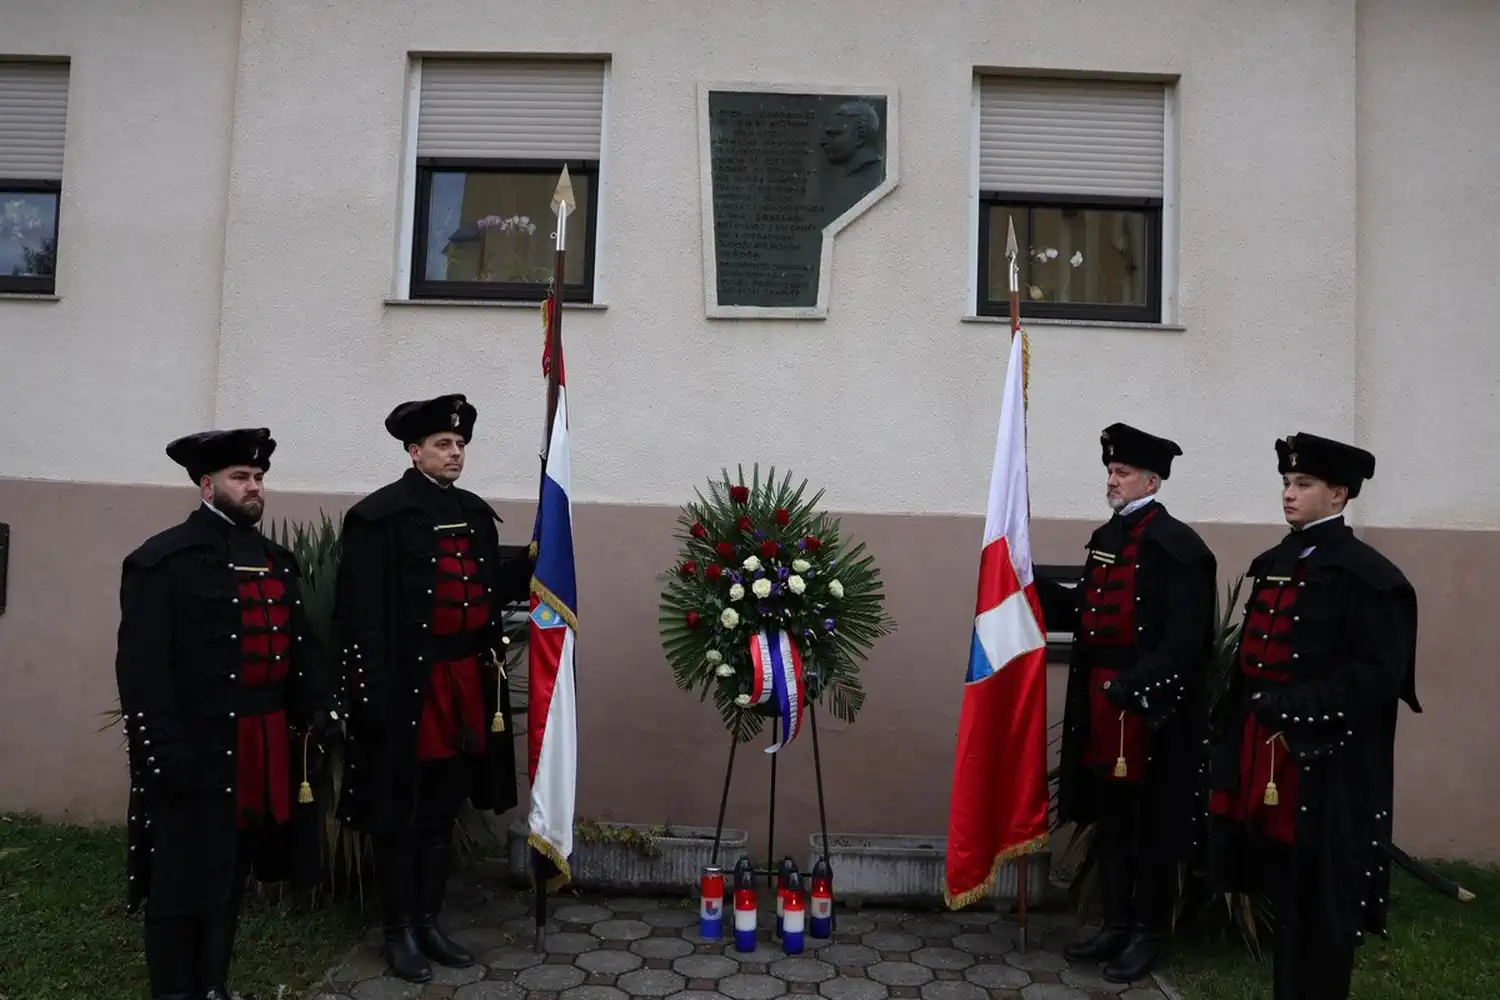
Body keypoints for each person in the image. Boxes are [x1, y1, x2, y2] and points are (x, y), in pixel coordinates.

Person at [115, 428, 339, 1000]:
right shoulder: (163, 561)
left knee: (232, 868)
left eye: (259, 478)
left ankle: (212, 984)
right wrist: (162, 752)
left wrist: (318, 706)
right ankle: (174, 992)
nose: (254, 487)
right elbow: (142, 671)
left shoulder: (276, 560)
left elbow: (302, 646)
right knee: (180, 875)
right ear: (207, 484)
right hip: (194, 743)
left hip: (263, 741)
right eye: (241, 477)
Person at [1208, 433, 1420, 1000]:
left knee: (1325, 907)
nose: (1289, 493)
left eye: (1303, 484)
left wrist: (1299, 706)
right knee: (1287, 895)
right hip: (1268, 758)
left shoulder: (1369, 576)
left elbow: (1378, 673)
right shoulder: (1276, 562)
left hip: (1328, 765)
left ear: (1340, 495)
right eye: (1286, 483)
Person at [335, 393, 533, 984]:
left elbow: (486, 584)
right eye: (443, 445)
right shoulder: (379, 518)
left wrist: (538, 557)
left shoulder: (473, 513)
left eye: (461, 444)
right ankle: (398, 932)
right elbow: (359, 616)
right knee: (402, 808)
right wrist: (368, 698)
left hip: (466, 682)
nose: (455, 453)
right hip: (408, 688)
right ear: (413, 450)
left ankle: (427, 920)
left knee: (444, 806)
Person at [1041, 423, 1217, 984]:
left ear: (1152, 480)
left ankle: (1146, 935)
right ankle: (1116, 924)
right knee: (1113, 821)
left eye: (1122, 473)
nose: (1111, 482)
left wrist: (1136, 687)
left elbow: (1189, 640)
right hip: (1100, 703)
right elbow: (1084, 613)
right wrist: (1024, 578)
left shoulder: (1179, 546)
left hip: (1150, 710)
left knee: (1151, 824)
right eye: (1110, 473)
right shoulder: (1105, 537)